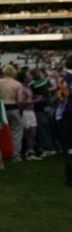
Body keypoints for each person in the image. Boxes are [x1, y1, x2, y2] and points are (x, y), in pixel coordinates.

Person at [0, 64, 23, 163]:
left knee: (2, 131)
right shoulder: (17, 84)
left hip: (2, 108)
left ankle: (3, 152)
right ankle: (16, 154)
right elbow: (19, 100)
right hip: (13, 107)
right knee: (16, 131)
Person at [54, 55, 72, 186]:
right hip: (68, 115)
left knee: (69, 147)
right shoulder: (65, 80)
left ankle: (70, 176)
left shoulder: (64, 80)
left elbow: (60, 99)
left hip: (66, 116)